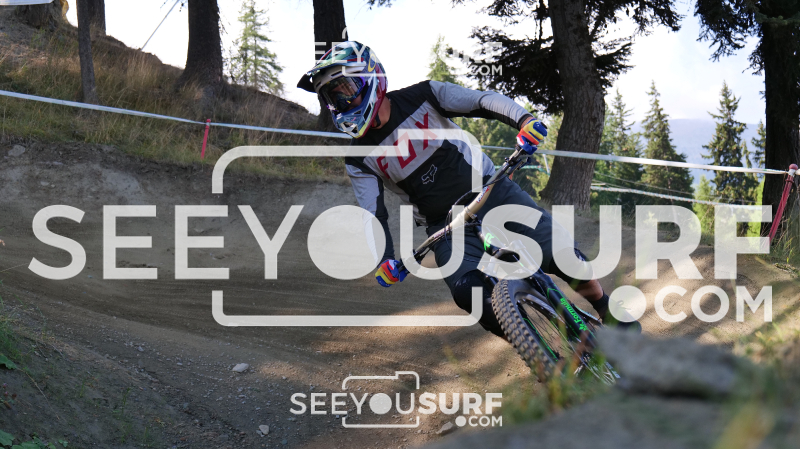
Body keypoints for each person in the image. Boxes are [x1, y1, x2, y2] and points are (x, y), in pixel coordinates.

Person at [298, 41, 640, 336]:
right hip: (446, 228)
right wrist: (385, 260)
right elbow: (373, 215)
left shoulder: (424, 95)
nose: (341, 103)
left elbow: (482, 101)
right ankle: (539, 352)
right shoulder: (358, 158)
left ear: (371, 77)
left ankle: (604, 306)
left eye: (345, 89)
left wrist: (524, 121)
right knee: (468, 294)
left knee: (562, 255)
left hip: (492, 191)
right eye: (332, 98)